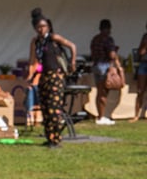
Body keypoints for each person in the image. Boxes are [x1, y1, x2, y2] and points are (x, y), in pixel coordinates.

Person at [27, 9, 77, 148]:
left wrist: (73, 62)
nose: (41, 29)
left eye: (43, 26)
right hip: (44, 76)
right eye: (38, 27)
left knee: (54, 108)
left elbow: (72, 46)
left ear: (48, 27)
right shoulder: (36, 42)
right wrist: (30, 76)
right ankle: (49, 137)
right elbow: (33, 60)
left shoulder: (53, 38)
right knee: (45, 107)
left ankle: (56, 139)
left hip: (56, 76)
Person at [89, 19, 120, 125]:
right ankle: (101, 117)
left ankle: (100, 115)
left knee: (99, 92)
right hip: (104, 66)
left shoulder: (95, 39)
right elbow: (111, 55)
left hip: (96, 65)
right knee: (103, 93)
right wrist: (115, 52)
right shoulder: (108, 39)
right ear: (109, 28)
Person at [137, 22, 147, 120]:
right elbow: (141, 52)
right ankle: (137, 114)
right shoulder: (145, 36)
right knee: (140, 90)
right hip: (144, 64)